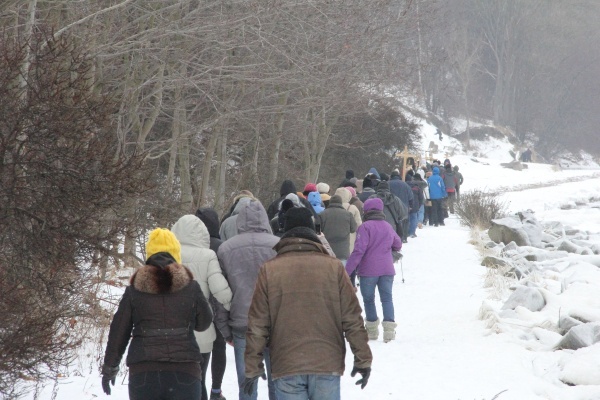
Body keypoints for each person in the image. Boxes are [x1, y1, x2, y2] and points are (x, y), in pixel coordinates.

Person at [244, 207, 373, 399]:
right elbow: (352, 317)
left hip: (287, 363)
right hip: (326, 361)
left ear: (284, 232)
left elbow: (258, 324)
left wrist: (252, 366)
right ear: (314, 231)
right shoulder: (334, 267)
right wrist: (362, 358)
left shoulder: (270, 270)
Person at [101, 228, 213, 399]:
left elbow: (119, 331)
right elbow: (204, 322)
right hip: (185, 372)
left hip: (144, 373)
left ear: (149, 255)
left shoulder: (134, 291)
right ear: (176, 254)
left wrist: (110, 367)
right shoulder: (191, 287)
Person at [217, 200, 279, 400]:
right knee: (276, 380)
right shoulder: (278, 245)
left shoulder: (226, 249)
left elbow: (221, 294)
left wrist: (225, 330)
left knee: (246, 382)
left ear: (239, 221)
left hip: (242, 322)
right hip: (273, 322)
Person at [171, 215, 233, 400]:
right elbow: (220, 290)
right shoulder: (208, 255)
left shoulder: (169, 256)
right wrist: (232, 308)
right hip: (202, 330)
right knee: (198, 379)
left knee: (177, 381)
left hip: (173, 330)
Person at [346, 198, 402, 343]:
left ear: (367, 211)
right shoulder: (388, 226)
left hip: (368, 270)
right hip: (387, 269)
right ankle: (389, 331)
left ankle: (371, 331)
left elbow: (358, 251)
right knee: (387, 298)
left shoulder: (365, 227)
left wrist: (346, 271)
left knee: (369, 300)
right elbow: (398, 243)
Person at [195, 208, 230, 400]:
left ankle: (200, 388)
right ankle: (216, 390)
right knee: (218, 347)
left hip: (196, 308)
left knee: (201, 350)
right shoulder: (221, 246)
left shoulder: (189, 247)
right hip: (219, 304)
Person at [319, 194, 357, 283]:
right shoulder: (348, 214)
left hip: (326, 251)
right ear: (341, 203)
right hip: (343, 251)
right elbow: (353, 229)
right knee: (341, 278)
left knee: (328, 278)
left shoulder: (322, 214)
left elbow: (318, 230)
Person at [388, 170, 413, 240]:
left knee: (393, 221)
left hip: (391, 206)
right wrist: (411, 205)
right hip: (404, 206)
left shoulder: (388, 184)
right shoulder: (405, 184)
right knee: (404, 221)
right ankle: (404, 237)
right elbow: (411, 196)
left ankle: (394, 237)